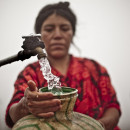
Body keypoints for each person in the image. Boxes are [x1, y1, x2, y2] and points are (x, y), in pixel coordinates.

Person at [5, 1, 121, 130]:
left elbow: (113, 107)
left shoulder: (95, 69)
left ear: (72, 33)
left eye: (64, 28)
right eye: (49, 29)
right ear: (39, 37)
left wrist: (97, 126)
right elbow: (12, 115)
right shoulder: (30, 73)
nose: (57, 35)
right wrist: (25, 105)